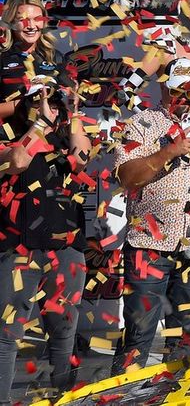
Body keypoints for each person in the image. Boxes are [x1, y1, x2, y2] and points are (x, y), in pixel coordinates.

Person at [111, 58, 190, 373]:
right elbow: (126, 178)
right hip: (148, 245)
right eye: (176, 91)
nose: (183, 97)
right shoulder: (142, 124)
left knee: (186, 339)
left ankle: (176, 396)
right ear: (163, 89)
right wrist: (169, 150)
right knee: (139, 337)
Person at [0, 75, 90, 403]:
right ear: (24, 104)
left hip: (65, 248)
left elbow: (82, 159)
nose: (45, 106)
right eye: (37, 99)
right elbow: (18, 161)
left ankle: (61, 397)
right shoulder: (8, 134)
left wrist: (74, 112)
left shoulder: (65, 139)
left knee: (64, 331)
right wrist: (38, 122)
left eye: (51, 101)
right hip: (18, 249)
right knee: (7, 334)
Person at [0, 0, 63, 120]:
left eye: (37, 19)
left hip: (51, 137)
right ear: (11, 22)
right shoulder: (2, 57)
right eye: (22, 20)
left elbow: (66, 105)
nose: (31, 26)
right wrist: (27, 102)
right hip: (13, 137)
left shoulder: (55, 56)